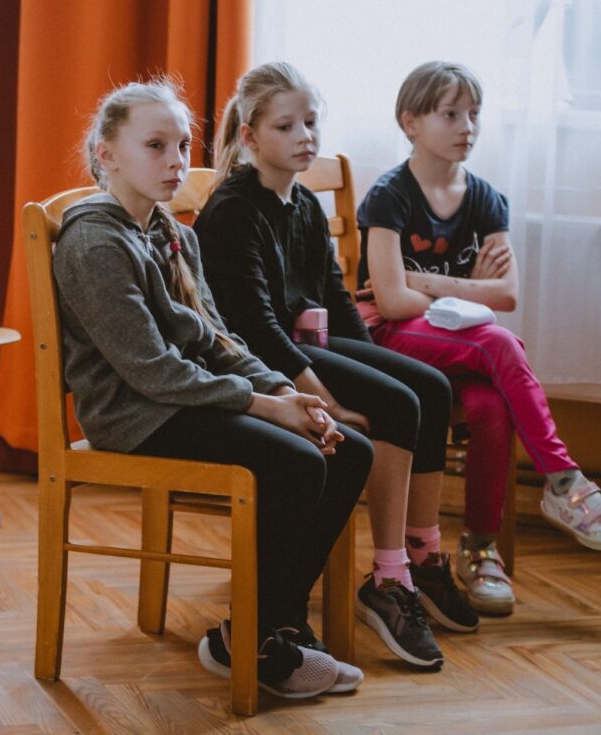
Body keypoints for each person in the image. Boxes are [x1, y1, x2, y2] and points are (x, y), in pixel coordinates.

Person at [56, 79, 373, 698]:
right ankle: (253, 641)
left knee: (350, 451)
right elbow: (151, 370)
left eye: (182, 145)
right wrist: (266, 407)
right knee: (296, 461)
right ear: (106, 154)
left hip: (184, 397)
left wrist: (282, 390)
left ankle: (274, 623)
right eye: (155, 146)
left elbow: (217, 337)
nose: (176, 161)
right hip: (135, 414)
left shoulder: (174, 232)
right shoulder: (95, 243)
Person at [195, 63, 471, 664]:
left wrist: (381, 364)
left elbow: (337, 302)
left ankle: (422, 555)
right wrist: (328, 401)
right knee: (399, 403)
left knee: (428, 389)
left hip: (304, 347)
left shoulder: (302, 203)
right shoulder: (234, 209)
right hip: (260, 362)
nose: (305, 137)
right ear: (250, 136)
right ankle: (389, 577)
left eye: (312, 123)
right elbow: (256, 330)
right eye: (286, 126)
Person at [356, 61, 601, 614]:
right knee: (500, 343)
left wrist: (424, 282)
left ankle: (479, 549)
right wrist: (469, 291)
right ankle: (564, 482)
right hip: (392, 342)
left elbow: (506, 295)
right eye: (450, 114)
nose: (467, 127)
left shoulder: (487, 199)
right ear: (410, 122)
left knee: (491, 407)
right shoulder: (389, 195)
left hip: (456, 346)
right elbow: (389, 303)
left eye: (474, 114)